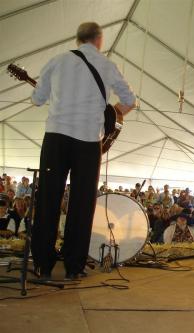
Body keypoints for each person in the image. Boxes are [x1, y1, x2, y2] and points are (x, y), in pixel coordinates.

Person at [30, 22, 136, 280]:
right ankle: (73, 267)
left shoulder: (57, 61)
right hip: (88, 141)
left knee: (48, 199)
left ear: (78, 39)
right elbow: (130, 101)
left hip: (56, 137)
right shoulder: (108, 65)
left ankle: (43, 263)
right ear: (99, 40)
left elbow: (37, 99)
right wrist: (111, 113)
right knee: (81, 204)